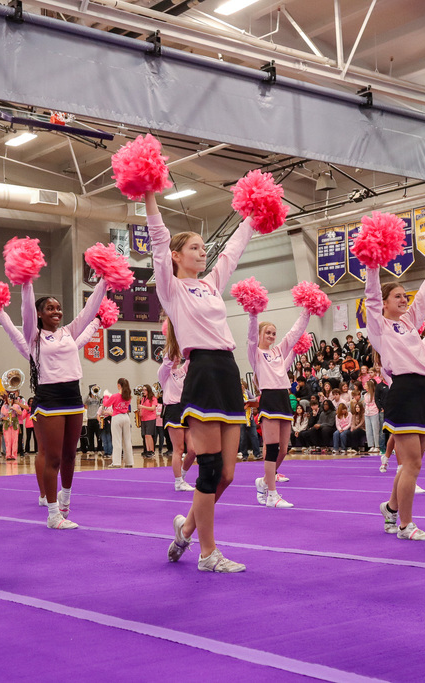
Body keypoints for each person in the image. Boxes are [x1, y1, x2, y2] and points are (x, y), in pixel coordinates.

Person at [147, 185, 252, 573]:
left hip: (228, 371)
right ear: (176, 256)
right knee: (208, 469)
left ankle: (186, 528)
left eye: (203, 247)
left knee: (226, 474)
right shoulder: (171, 288)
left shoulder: (210, 285)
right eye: (194, 247)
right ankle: (209, 554)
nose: (202, 251)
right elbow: (158, 240)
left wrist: (254, 213)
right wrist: (147, 196)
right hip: (202, 372)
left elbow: (234, 250)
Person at [0, 279, 106, 524]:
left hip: (74, 397)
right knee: (53, 457)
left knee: (70, 456)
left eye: (58, 308)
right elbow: (22, 318)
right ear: (39, 314)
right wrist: (26, 282)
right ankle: (53, 514)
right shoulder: (33, 337)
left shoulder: (69, 332)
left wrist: (105, 281)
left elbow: (88, 312)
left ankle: (65, 503)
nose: (56, 311)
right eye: (50, 308)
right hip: (50, 399)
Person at [366, 257, 425, 541]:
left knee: (413, 462)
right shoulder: (379, 327)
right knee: (412, 464)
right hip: (402, 390)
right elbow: (371, 295)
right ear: (385, 303)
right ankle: (405, 526)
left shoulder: (410, 322)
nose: (404, 299)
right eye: (397, 296)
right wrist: (372, 265)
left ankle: (390, 508)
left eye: (404, 296)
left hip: (422, 390)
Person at [246, 304, 312, 508]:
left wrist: (307, 311)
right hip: (269, 398)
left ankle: (265, 481)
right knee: (272, 448)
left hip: (284, 398)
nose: (272, 335)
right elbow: (250, 336)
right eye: (268, 332)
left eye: (274, 333)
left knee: (284, 449)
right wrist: (253, 314)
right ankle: (272, 495)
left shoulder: (279, 351)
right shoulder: (255, 352)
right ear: (260, 334)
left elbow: (295, 333)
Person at [159, 327, 196, 492]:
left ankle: (181, 475)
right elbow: (167, 359)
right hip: (173, 409)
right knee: (179, 448)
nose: (176, 357)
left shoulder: (183, 371)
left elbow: (191, 358)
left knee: (193, 450)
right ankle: (178, 481)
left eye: (178, 355)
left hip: (185, 410)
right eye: (174, 355)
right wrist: (173, 338)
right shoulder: (164, 374)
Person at [102, 379, 134, 468]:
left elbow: (106, 404)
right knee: (127, 440)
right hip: (126, 417)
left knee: (117, 441)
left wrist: (106, 396)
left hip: (117, 417)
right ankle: (129, 462)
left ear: (119, 385)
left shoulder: (115, 396)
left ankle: (116, 462)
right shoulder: (128, 396)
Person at [137, 385, 159, 459]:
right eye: (143, 390)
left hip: (150, 418)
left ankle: (152, 451)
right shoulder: (143, 398)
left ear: (148, 390)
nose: (143, 391)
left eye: (144, 390)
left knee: (149, 435)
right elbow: (142, 408)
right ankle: (147, 450)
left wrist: (142, 407)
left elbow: (153, 408)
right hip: (144, 419)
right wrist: (140, 412)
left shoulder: (153, 398)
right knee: (145, 436)